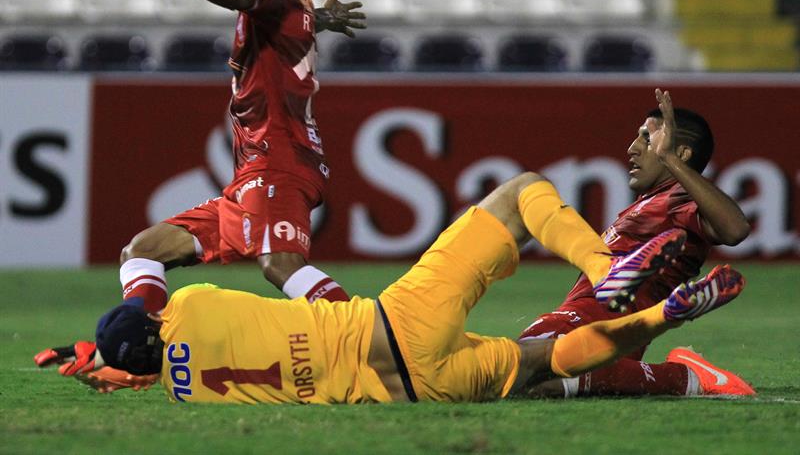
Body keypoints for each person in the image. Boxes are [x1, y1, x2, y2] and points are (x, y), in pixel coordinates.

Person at [39, 173, 745, 403]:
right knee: (522, 191)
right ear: (155, 325)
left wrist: (105, 363)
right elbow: (156, 273)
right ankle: (603, 269)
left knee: (542, 359)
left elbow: (149, 358)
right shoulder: (187, 304)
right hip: (394, 324)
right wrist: (114, 332)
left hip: (417, 389)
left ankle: (663, 321)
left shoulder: (185, 391)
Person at [34, 0, 367, 379]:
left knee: (280, 265)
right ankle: (138, 355)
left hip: (279, 162)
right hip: (251, 175)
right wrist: (321, 18)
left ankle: (374, 341)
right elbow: (288, 15)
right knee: (142, 252)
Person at [518, 89, 754, 398]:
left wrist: (669, 160)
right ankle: (676, 375)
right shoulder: (646, 204)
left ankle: (684, 377)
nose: (631, 149)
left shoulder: (679, 199)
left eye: (646, 139)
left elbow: (735, 229)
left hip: (597, 323)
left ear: (680, 153)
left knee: (515, 373)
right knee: (520, 378)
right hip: (596, 329)